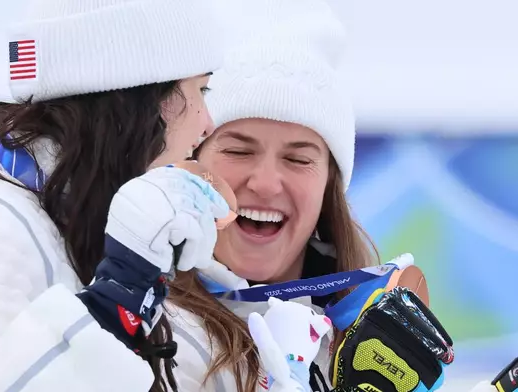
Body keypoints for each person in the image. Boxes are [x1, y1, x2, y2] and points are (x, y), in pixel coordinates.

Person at [0, 0, 231, 391]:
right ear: (141, 100)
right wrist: (111, 310)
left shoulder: (84, 221)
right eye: (200, 89)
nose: (207, 122)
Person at [161, 0, 377, 390]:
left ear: (330, 184)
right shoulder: (145, 330)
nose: (265, 183)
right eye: (238, 151)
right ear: (190, 162)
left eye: (297, 158)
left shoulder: (366, 346)